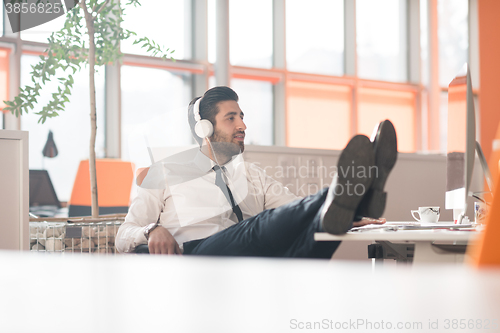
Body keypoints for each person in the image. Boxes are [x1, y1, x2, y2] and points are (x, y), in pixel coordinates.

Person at [115, 86, 398, 257]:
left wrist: (345, 216)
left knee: (317, 234)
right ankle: (343, 191)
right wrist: (151, 230)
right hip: (195, 256)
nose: (242, 126)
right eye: (231, 118)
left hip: (250, 262)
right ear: (205, 128)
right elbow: (123, 234)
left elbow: (294, 211)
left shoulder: (253, 175)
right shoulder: (165, 172)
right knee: (254, 227)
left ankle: (347, 200)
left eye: (242, 117)